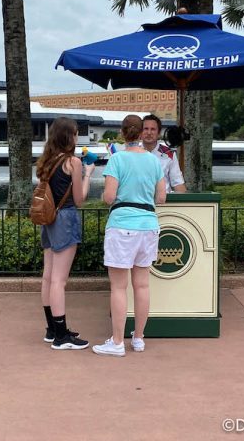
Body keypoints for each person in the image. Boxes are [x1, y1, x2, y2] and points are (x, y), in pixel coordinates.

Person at [92, 114, 166, 357]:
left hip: (123, 224)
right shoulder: (154, 161)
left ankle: (117, 342)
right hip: (148, 225)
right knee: (142, 285)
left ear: (122, 133)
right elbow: (161, 197)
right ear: (141, 132)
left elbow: (109, 197)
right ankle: (139, 338)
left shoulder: (117, 159)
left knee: (118, 287)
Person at [37, 117, 95, 350]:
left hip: (49, 219)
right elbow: (79, 200)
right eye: (76, 133)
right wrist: (88, 174)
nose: (77, 137)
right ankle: (62, 337)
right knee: (59, 281)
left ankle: (52, 329)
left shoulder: (47, 160)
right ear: (69, 136)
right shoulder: (73, 162)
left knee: (48, 276)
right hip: (65, 219)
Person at [141, 114, 187, 193]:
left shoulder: (169, 153)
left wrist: (185, 200)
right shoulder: (132, 153)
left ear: (158, 133)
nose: (149, 132)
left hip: (164, 199)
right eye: (146, 129)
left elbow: (178, 184)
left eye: (153, 129)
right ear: (140, 132)